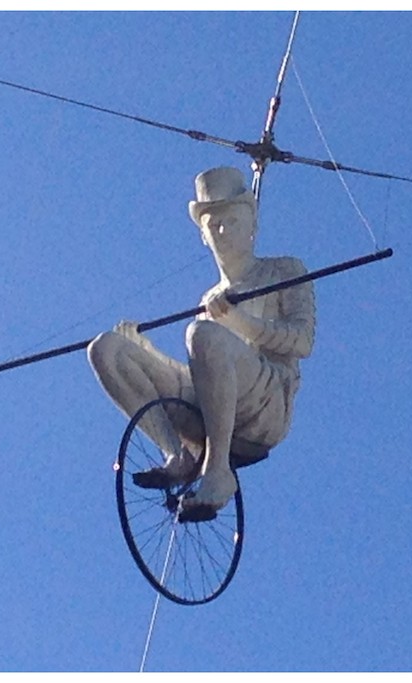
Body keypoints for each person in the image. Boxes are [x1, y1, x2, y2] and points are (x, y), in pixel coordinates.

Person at [87, 167, 315, 521]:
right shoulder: (208, 298)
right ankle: (178, 456)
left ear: (252, 223)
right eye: (213, 224)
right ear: (203, 236)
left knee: (202, 333)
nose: (222, 231)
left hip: (265, 404)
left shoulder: (285, 270)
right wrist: (143, 349)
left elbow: (301, 342)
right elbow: (202, 374)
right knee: (106, 348)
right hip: (210, 409)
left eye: (232, 221)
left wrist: (239, 322)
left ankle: (218, 471)